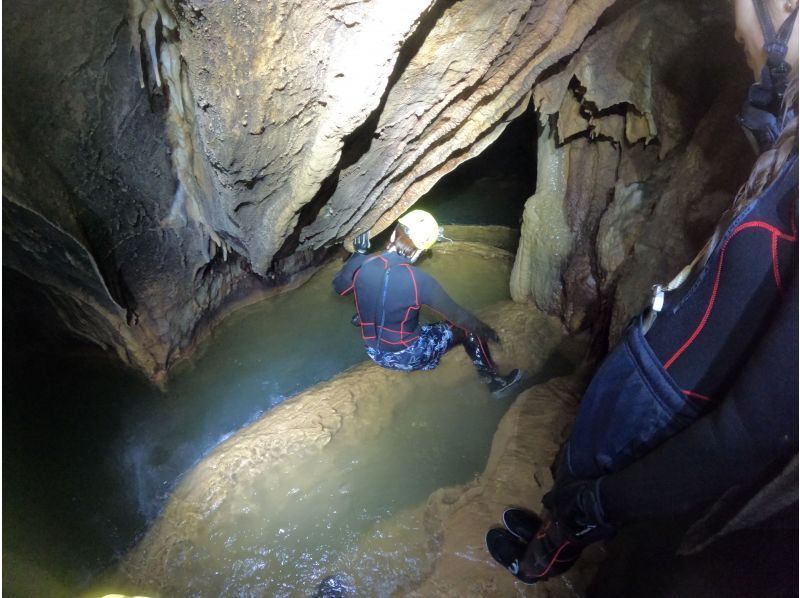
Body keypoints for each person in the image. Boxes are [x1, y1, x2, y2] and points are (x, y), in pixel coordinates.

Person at [486, 0, 798, 587]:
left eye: (742, 37)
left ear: (784, 8)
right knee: (576, 471)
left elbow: (755, 428)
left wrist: (601, 505)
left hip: (677, 399)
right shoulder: (790, 133)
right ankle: (559, 526)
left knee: (591, 497)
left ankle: (542, 562)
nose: (744, 48)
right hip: (657, 366)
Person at [333, 209, 522, 396]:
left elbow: (339, 287)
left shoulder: (363, 263)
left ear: (393, 234)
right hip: (406, 356)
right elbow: (458, 316)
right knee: (466, 329)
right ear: (420, 251)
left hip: (372, 350)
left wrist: (358, 253)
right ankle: (494, 382)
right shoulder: (418, 280)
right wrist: (488, 332)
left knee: (369, 302)